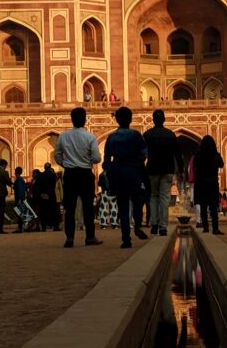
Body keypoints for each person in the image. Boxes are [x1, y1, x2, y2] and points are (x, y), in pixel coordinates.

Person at [54, 107, 103, 248]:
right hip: (85, 174)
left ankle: (69, 238)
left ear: (72, 119)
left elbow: (57, 155)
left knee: (70, 207)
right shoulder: (89, 137)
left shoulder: (63, 136)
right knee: (88, 207)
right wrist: (87, 159)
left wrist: (66, 164)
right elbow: (96, 158)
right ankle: (90, 237)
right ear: (84, 119)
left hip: (70, 174)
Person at [103, 106, 148, 249]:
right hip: (133, 170)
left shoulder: (112, 137)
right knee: (138, 200)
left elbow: (106, 161)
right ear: (131, 119)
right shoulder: (135, 135)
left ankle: (126, 239)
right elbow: (144, 154)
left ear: (116, 119)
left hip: (117, 170)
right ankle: (138, 226)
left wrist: (111, 170)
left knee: (122, 204)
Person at [143, 109, 184, 236]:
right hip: (167, 170)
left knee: (153, 196)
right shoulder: (170, 135)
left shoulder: (147, 134)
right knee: (164, 198)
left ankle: (154, 223)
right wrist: (181, 171)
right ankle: (163, 226)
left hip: (152, 169)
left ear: (153, 120)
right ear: (164, 120)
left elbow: (142, 154)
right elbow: (178, 155)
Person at [193, 135, 224, 234]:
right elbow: (221, 164)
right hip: (212, 182)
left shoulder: (198, 155)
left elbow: (194, 165)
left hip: (201, 183)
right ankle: (215, 228)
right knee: (213, 206)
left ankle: (205, 227)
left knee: (203, 205)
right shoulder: (215, 155)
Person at [34, 162, 59, 231]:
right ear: (50, 167)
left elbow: (37, 186)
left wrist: (41, 194)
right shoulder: (54, 175)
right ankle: (55, 226)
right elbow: (55, 184)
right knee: (54, 211)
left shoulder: (41, 175)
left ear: (44, 168)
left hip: (43, 195)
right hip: (51, 195)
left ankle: (44, 227)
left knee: (43, 212)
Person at [12, 166, 27, 232]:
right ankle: (21, 227)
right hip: (20, 198)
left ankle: (21, 227)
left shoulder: (18, 179)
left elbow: (20, 190)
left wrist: (20, 199)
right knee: (20, 212)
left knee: (19, 213)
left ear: (15, 172)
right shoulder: (20, 179)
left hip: (19, 199)